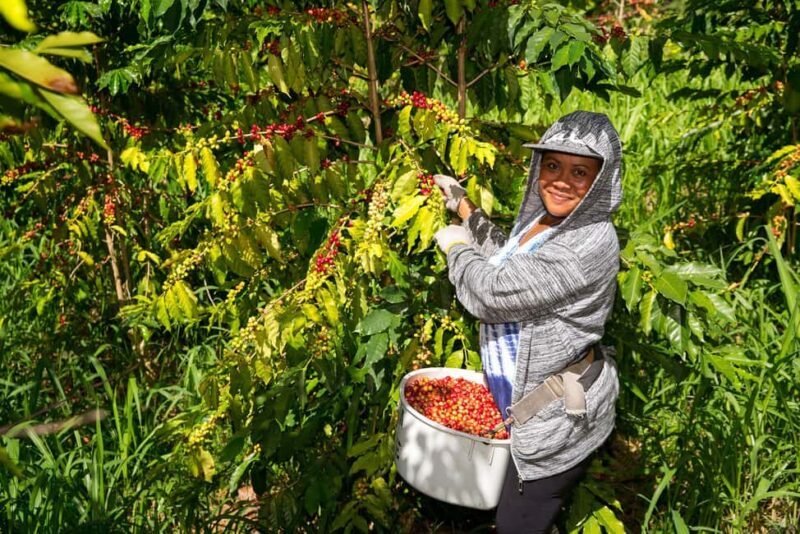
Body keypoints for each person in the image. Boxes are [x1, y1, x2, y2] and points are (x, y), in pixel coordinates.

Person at [431, 111, 622, 533]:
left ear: (601, 182)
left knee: (518, 523)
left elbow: (491, 293)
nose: (560, 180)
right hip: (522, 407)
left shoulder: (586, 243)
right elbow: (509, 261)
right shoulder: (550, 221)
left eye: (579, 172)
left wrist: (457, 250)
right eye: (552, 165)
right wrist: (464, 207)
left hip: (551, 425)